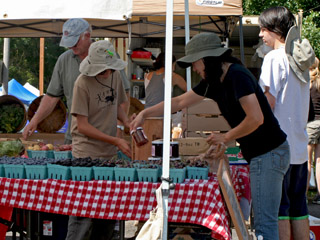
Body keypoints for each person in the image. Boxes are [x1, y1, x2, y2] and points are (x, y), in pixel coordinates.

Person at [130, 32, 290, 240]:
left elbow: (256, 118)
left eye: (196, 63)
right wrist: (144, 113)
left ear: (208, 59)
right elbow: (178, 102)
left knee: (264, 223)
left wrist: (226, 137)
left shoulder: (237, 76)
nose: (195, 69)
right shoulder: (213, 81)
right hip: (263, 154)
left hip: (270, 152)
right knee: (263, 221)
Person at [22, 18, 130, 143]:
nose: (70, 46)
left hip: (108, 138)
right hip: (75, 138)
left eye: (75, 41)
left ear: (88, 36)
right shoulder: (64, 60)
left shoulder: (108, 55)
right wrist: (34, 121)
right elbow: (51, 97)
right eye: (68, 42)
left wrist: (119, 127)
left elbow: (123, 96)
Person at [258, 6, 315, 240]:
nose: (261, 35)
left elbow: (267, 103)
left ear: (274, 30)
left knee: (279, 210)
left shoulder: (273, 58)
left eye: (263, 29)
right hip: (300, 147)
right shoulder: (299, 60)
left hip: (278, 147)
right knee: (299, 209)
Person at [67, 40, 131, 240]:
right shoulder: (82, 83)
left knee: (107, 213)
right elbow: (83, 125)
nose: (106, 74)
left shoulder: (116, 76)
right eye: (102, 70)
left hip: (109, 155)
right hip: (85, 154)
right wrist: (115, 141)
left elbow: (117, 106)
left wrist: (129, 123)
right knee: (82, 216)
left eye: (108, 70)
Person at [144, 52, 187, 126]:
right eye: (174, 65)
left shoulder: (147, 75)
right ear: (171, 64)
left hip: (147, 116)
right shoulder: (172, 76)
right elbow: (189, 90)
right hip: (163, 117)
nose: (174, 68)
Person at [307, 57, 320, 203]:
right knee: (319, 161)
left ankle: (302, 195)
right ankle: (319, 195)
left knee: (307, 161)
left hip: (311, 123)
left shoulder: (308, 83)